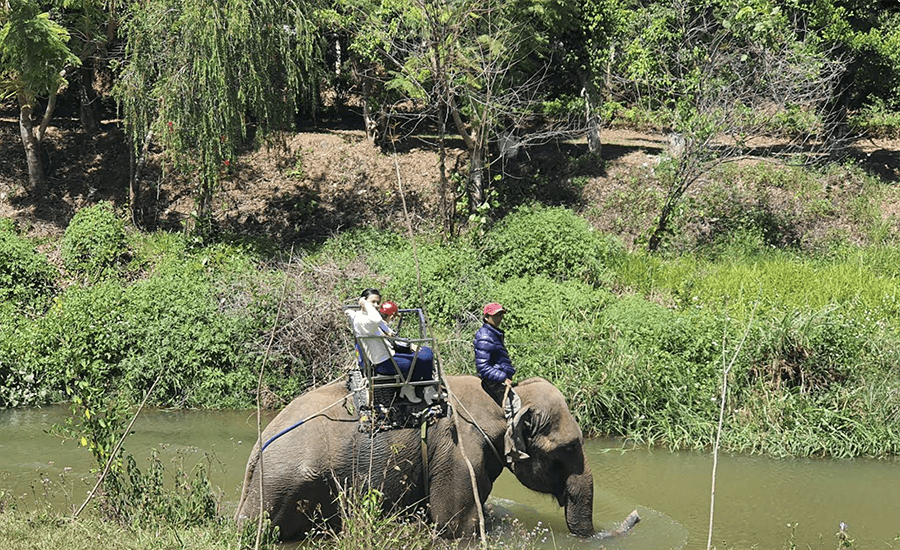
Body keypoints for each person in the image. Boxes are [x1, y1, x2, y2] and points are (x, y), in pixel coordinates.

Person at [347, 288, 437, 404]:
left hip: (387, 355)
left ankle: (414, 389)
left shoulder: (363, 317)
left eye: (378, 302)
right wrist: (364, 303)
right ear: (364, 301)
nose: (376, 305)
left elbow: (386, 331)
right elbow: (376, 319)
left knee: (426, 352)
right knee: (423, 358)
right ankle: (422, 389)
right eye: (372, 302)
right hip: (384, 362)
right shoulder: (366, 321)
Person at [473, 302, 529, 462]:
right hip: (493, 381)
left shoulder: (493, 333)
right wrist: (502, 377)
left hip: (499, 376)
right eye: (496, 315)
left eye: (501, 314)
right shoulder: (485, 336)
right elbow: (483, 367)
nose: (499, 318)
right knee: (515, 406)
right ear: (486, 317)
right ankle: (512, 450)